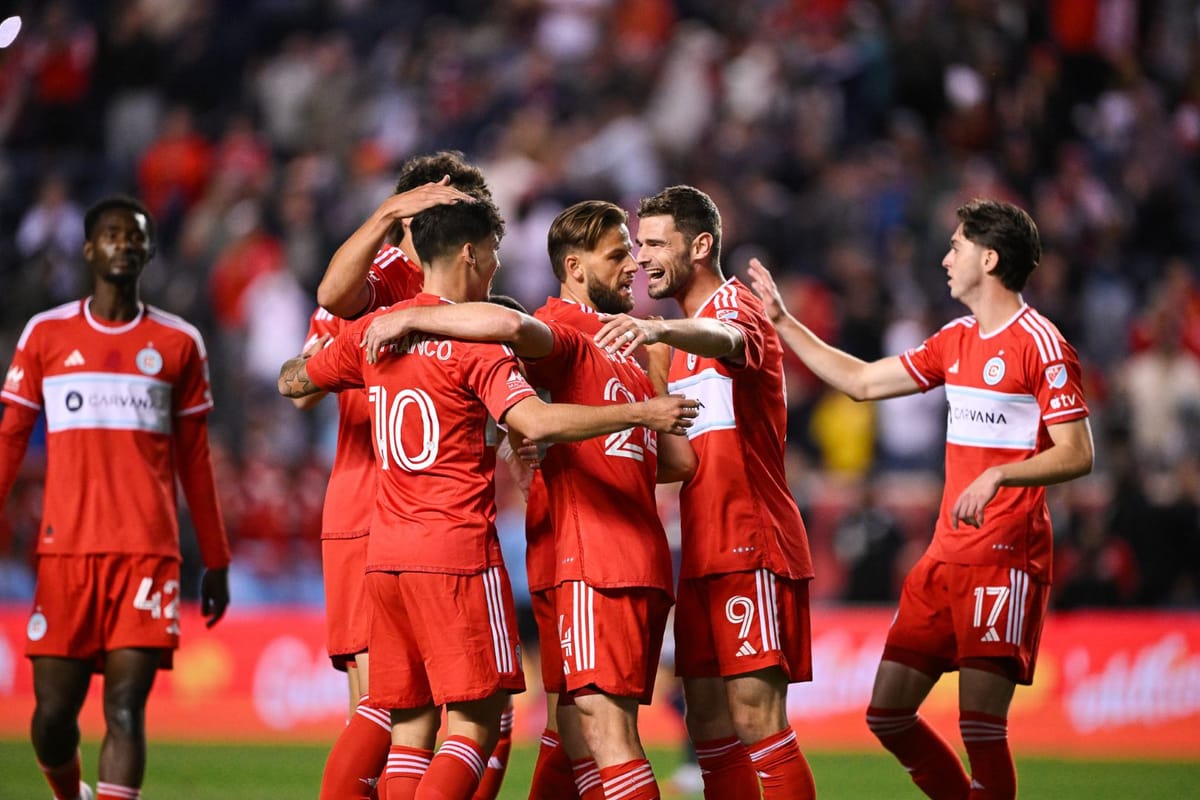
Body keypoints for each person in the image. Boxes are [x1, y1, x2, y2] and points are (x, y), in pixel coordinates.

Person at [278, 197, 699, 800]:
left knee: (410, 726)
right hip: (457, 552)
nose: (499, 267)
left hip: (387, 553)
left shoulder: (375, 331)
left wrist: (341, 343)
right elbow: (535, 419)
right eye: (495, 254)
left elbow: (293, 382)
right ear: (471, 253)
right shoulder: (483, 346)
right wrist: (642, 411)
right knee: (481, 725)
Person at [748, 198, 1094, 800]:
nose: (945, 258)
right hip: (942, 559)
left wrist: (1000, 477)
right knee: (887, 714)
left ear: (989, 258)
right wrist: (782, 321)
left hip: (1005, 559)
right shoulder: (953, 339)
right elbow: (860, 382)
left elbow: (1078, 452)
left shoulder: (1042, 344)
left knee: (980, 730)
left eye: (956, 247)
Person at [0, 195, 231, 800]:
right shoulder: (46, 335)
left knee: (126, 708)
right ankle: (70, 790)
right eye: (111, 235)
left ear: (150, 250)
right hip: (65, 553)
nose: (123, 244)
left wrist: (217, 557)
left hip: (146, 554)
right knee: (52, 718)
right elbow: (9, 442)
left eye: (135, 236)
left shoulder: (179, 343)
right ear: (88, 249)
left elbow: (195, 461)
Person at [594, 185, 817, 799]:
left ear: (701, 244)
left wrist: (658, 333)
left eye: (655, 243)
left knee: (757, 722)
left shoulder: (732, 307)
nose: (640, 258)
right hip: (700, 551)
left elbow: (727, 340)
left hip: (752, 544)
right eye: (638, 245)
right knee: (710, 725)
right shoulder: (677, 345)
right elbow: (682, 461)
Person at [290, 151, 485, 799]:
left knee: (455, 714)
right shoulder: (380, 279)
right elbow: (320, 330)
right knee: (391, 707)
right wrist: (386, 215)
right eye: (448, 210)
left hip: (430, 520)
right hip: (370, 508)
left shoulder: (463, 290)